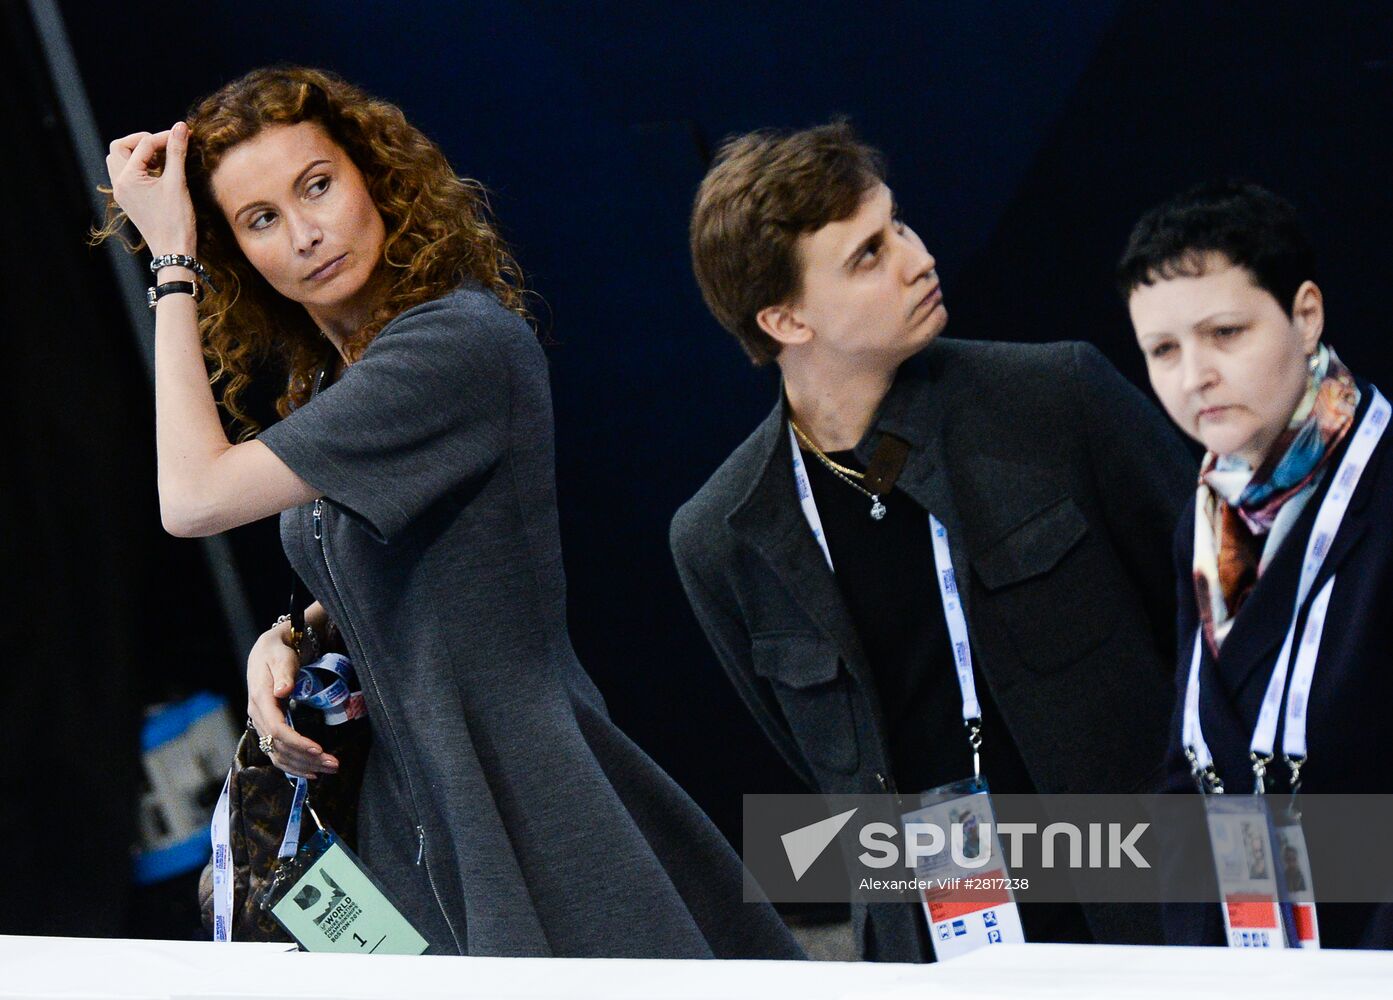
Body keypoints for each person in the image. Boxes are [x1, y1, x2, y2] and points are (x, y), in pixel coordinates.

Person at [100, 65, 803, 959]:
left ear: (373, 177)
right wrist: (293, 639)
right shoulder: (334, 379)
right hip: (408, 809)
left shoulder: (452, 344)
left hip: (519, 796)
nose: (307, 233)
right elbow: (417, 572)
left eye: (317, 185)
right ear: (245, 254)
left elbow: (192, 499)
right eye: (262, 219)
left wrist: (171, 263)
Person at [670, 122, 1194, 962]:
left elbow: (1221, 631)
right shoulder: (722, 537)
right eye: (868, 254)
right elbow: (825, 774)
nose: (917, 257)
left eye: (898, 225)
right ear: (784, 318)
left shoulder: (1057, 399)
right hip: (941, 945)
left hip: (1152, 913)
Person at [1121, 180, 1393, 948]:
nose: (1193, 374)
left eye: (1225, 333)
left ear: (1304, 315)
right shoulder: (1205, 517)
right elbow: (1192, 771)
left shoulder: (1377, 485)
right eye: (1162, 350)